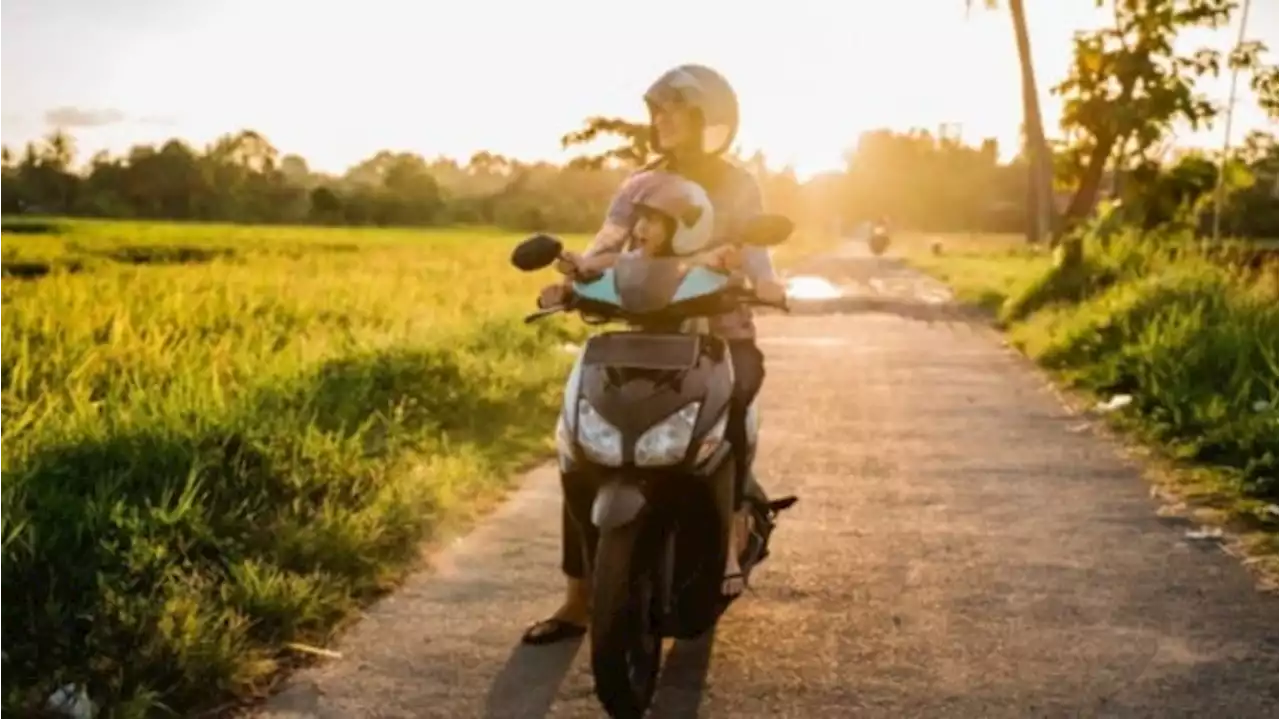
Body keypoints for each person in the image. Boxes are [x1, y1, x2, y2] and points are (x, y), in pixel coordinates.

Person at [522, 64, 786, 646]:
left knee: (734, 410)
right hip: (643, 332)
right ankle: (578, 600)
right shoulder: (640, 183)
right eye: (658, 111)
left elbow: (756, 255)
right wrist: (576, 278)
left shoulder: (738, 185)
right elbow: (608, 245)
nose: (661, 121)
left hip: (720, 337)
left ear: (708, 121)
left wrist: (764, 281)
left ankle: (730, 541)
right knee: (583, 451)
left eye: (674, 111)